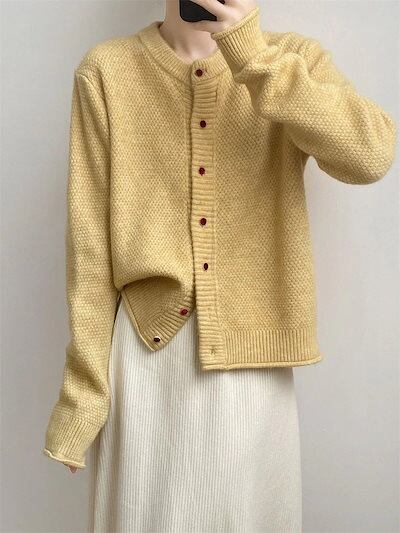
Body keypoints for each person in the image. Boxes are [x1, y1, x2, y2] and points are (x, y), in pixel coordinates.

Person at [43, 0, 397, 531]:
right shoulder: (107, 70)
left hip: (253, 362)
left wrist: (252, 55)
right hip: (146, 358)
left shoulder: (288, 59)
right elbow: (90, 253)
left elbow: (370, 156)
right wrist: (83, 397)